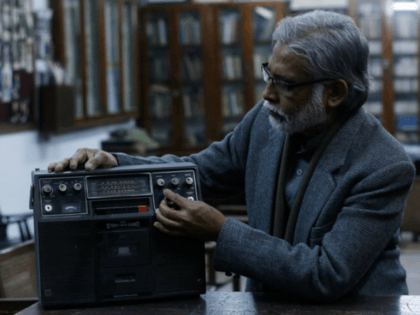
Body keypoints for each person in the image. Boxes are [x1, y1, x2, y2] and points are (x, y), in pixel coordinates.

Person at [48, 10, 415, 302]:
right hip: (272, 303)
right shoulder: (265, 121)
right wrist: (119, 163)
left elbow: (326, 274)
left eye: (285, 84)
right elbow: (201, 172)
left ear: (335, 93)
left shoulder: (383, 165)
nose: (267, 94)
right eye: (268, 74)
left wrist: (222, 231)